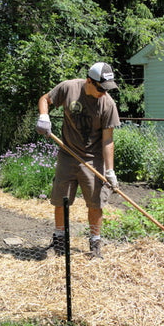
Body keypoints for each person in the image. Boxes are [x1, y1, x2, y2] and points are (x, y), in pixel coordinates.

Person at [36, 62, 121, 258]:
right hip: (68, 154)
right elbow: (45, 99)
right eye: (101, 88)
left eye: (107, 89)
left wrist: (110, 171)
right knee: (61, 200)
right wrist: (44, 116)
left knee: (96, 203)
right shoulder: (68, 88)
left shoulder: (108, 104)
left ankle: (95, 243)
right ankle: (59, 241)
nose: (104, 93)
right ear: (89, 81)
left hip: (93, 160)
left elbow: (108, 140)